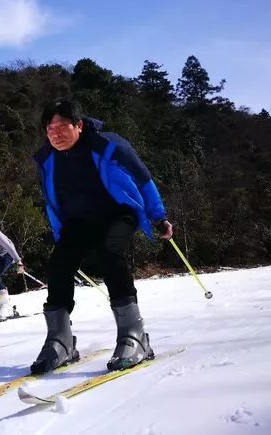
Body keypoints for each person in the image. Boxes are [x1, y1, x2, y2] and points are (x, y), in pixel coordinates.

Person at [31, 99, 173, 374]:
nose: (56, 133)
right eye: (50, 128)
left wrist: (159, 216)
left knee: (111, 252)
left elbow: (143, 179)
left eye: (62, 126)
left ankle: (134, 335)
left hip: (119, 212)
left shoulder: (110, 145)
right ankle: (60, 341)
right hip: (81, 221)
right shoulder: (47, 159)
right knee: (59, 263)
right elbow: (52, 200)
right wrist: (60, 236)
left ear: (79, 126)